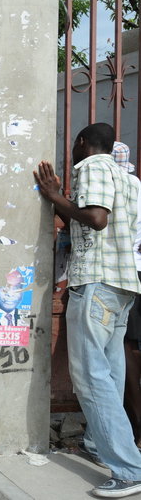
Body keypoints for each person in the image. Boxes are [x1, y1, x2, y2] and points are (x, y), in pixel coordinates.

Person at [34, 123, 141, 498]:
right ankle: (100, 446)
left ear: (82, 143)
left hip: (95, 282)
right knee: (109, 374)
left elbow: (96, 218)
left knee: (90, 377)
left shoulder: (93, 166)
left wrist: (54, 196)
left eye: (73, 145)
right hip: (122, 285)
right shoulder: (130, 180)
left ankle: (128, 469)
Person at [112, 142, 141, 448]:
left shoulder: (117, 186)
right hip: (136, 270)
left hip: (120, 272)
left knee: (123, 347)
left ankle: (135, 427)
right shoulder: (137, 184)